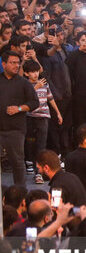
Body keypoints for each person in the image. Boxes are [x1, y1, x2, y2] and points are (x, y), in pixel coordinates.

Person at [0, 51, 40, 185]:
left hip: (15, 130)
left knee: (17, 162)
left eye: (18, 63)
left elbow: (35, 103)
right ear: (4, 64)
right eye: (13, 63)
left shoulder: (24, 83)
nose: (16, 66)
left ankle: (21, 194)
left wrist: (19, 108)